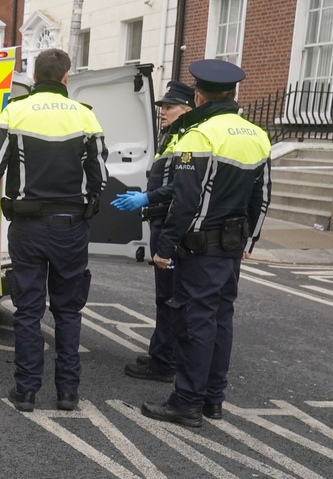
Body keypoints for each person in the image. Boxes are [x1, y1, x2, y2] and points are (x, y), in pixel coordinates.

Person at [141, 60, 271, 428]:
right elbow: (261, 196)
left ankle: (186, 402)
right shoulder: (257, 135)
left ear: (199, 96)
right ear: (232, 93)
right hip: (232, 245)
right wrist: (251, 238)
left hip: (200, 248)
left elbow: (185, 201)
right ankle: (213, 399)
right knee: (221, 321)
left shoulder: (199, 135)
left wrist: (165, 247)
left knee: (194, 323)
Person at [0, 48, 108, 413]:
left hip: (28, 228)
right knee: (68, 311)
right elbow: (101, 176)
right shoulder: (85, 116)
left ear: (35, 77)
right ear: (66, 77)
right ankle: (68, 393)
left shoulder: (15, 111)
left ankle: (26, 392)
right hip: (71, 228)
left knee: (28, 311)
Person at [112, 80, 195, 383]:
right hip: (161, 220)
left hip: (170, 222)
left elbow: (182, 187)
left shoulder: (187, 138)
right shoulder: (172, 135)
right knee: (165, 296)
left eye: (169, 107)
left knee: (170, 296)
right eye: (162, 106)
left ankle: (164, 363)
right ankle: (161, 352)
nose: (163, 111)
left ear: (187, 109)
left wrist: (147, 198)